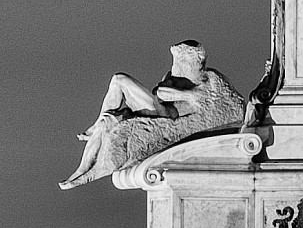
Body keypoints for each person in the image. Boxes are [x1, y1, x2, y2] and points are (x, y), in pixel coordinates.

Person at [60, 41, 246, 189]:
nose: (179, 62)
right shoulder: (174, 76)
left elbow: (176, 95)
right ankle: (83, 170)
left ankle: (86, 169)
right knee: (105, 121)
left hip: (165, 117)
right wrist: (183, 94)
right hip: (156, 112)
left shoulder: (206, 80)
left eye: (183, 58)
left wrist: (185, 94)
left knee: (119, 80)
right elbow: (161, 91)